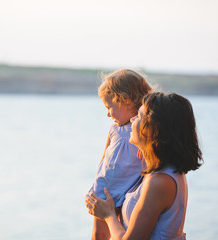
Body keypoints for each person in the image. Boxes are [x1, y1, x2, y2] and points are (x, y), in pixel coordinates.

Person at [86, 92, 203, 240]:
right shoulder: (160, 172)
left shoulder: (160, 182)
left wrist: (108, 215)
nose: (132, 119)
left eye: (139, 116)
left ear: (154, 129)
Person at [88, 69, 153, 240]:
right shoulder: (114, 130)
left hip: (128, 192)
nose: (108, 113)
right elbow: (104, 159)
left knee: (123, 229)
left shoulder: (143, 131)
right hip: (105, 189)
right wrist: (96, 184)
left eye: (110, 107)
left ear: (127, 101)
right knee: (99, 234)